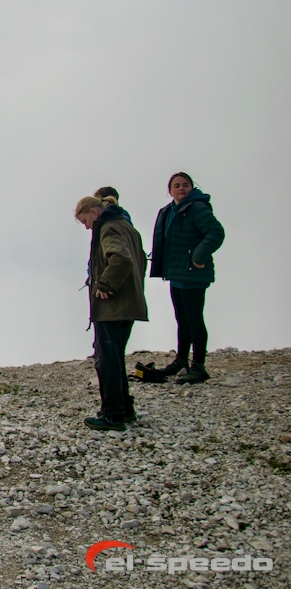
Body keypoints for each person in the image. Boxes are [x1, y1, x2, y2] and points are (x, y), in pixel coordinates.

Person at [75, 195, 148, 431]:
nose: (86, 226)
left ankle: (112, 414)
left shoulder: (107, 228)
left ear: (94, 213)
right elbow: (138, 262)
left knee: (106, 359)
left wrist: (105, 285)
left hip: (112, 306)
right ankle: (125, 408)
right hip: (129, 303)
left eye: (84, 220)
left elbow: (122, 260)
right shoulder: (128, 227)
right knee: (116, 357)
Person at [150, 172, 226, 384]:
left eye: (185, 185)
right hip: (176, 274)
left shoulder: (197, 208)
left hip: (193, 274)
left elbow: (216, 232)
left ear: (192, 187)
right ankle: (181, 361)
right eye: (177, 185)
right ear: (170, 190)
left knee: (194, 320)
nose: (181, 188)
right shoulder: (168, 211)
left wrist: (198, 256)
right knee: (182, 319)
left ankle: (199, 366)